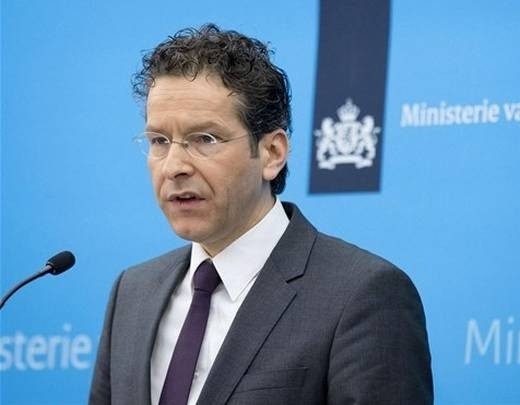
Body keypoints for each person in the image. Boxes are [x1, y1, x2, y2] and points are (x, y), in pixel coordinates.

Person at [90, 23, 433, 405]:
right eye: (159, 141)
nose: (173, 167)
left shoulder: (362, 295)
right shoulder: (132, 293)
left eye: (205, 139)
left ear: (272, 153)